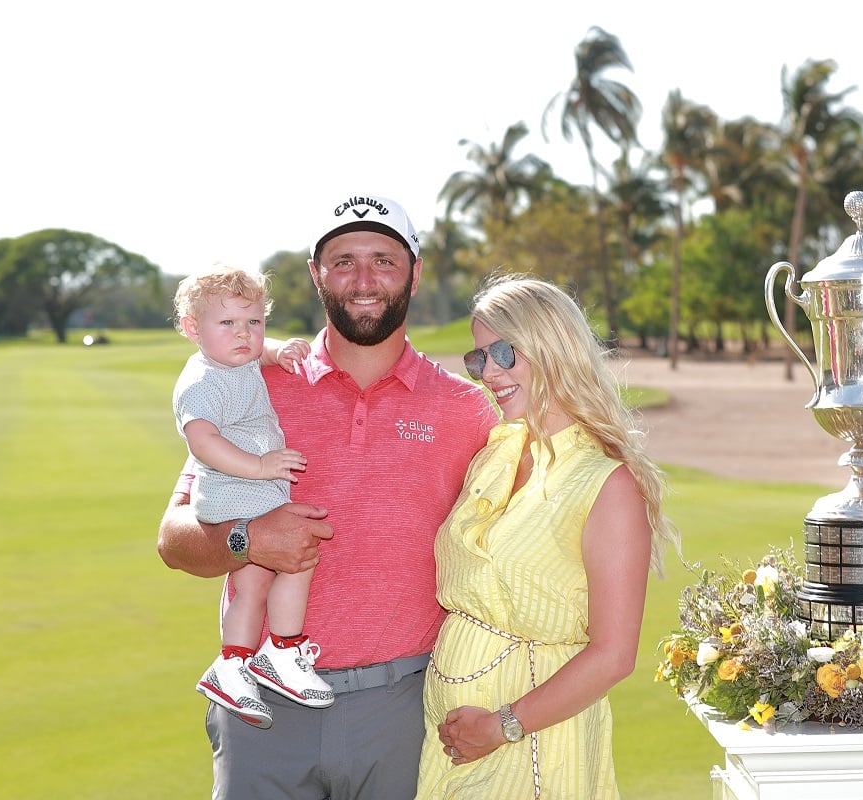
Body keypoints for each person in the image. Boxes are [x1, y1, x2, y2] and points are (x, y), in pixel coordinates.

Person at [156, 195, 500, 800]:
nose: (363, 280)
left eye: (383, 260)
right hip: (263, 706)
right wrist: (249, 539)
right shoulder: (248, 384)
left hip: (404, 707)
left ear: (415, 274)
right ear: (316, 275)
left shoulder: (466, 409)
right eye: (342, 261)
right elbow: (174, 540)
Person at [416, 275, 680, 799]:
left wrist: (500, 726)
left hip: (531, 738)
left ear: (551, 347)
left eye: (503, 353)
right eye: (477, 359)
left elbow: (613, 654)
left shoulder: (606, 481)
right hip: (451, 742)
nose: (488, 373)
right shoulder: (497, 454)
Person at [171, 264, 335, 730]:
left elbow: (256, 356)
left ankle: (257, 656)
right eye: (227, 323)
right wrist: (261, 467)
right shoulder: (202, 383)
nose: (244, 335)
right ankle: (255, 658)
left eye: (254, 322)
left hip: (252, 490)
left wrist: (279, 350)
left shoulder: (234, 359)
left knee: (276, 571)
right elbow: (202, 441)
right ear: (192, 329)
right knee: (277, 566)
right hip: (234, 492)